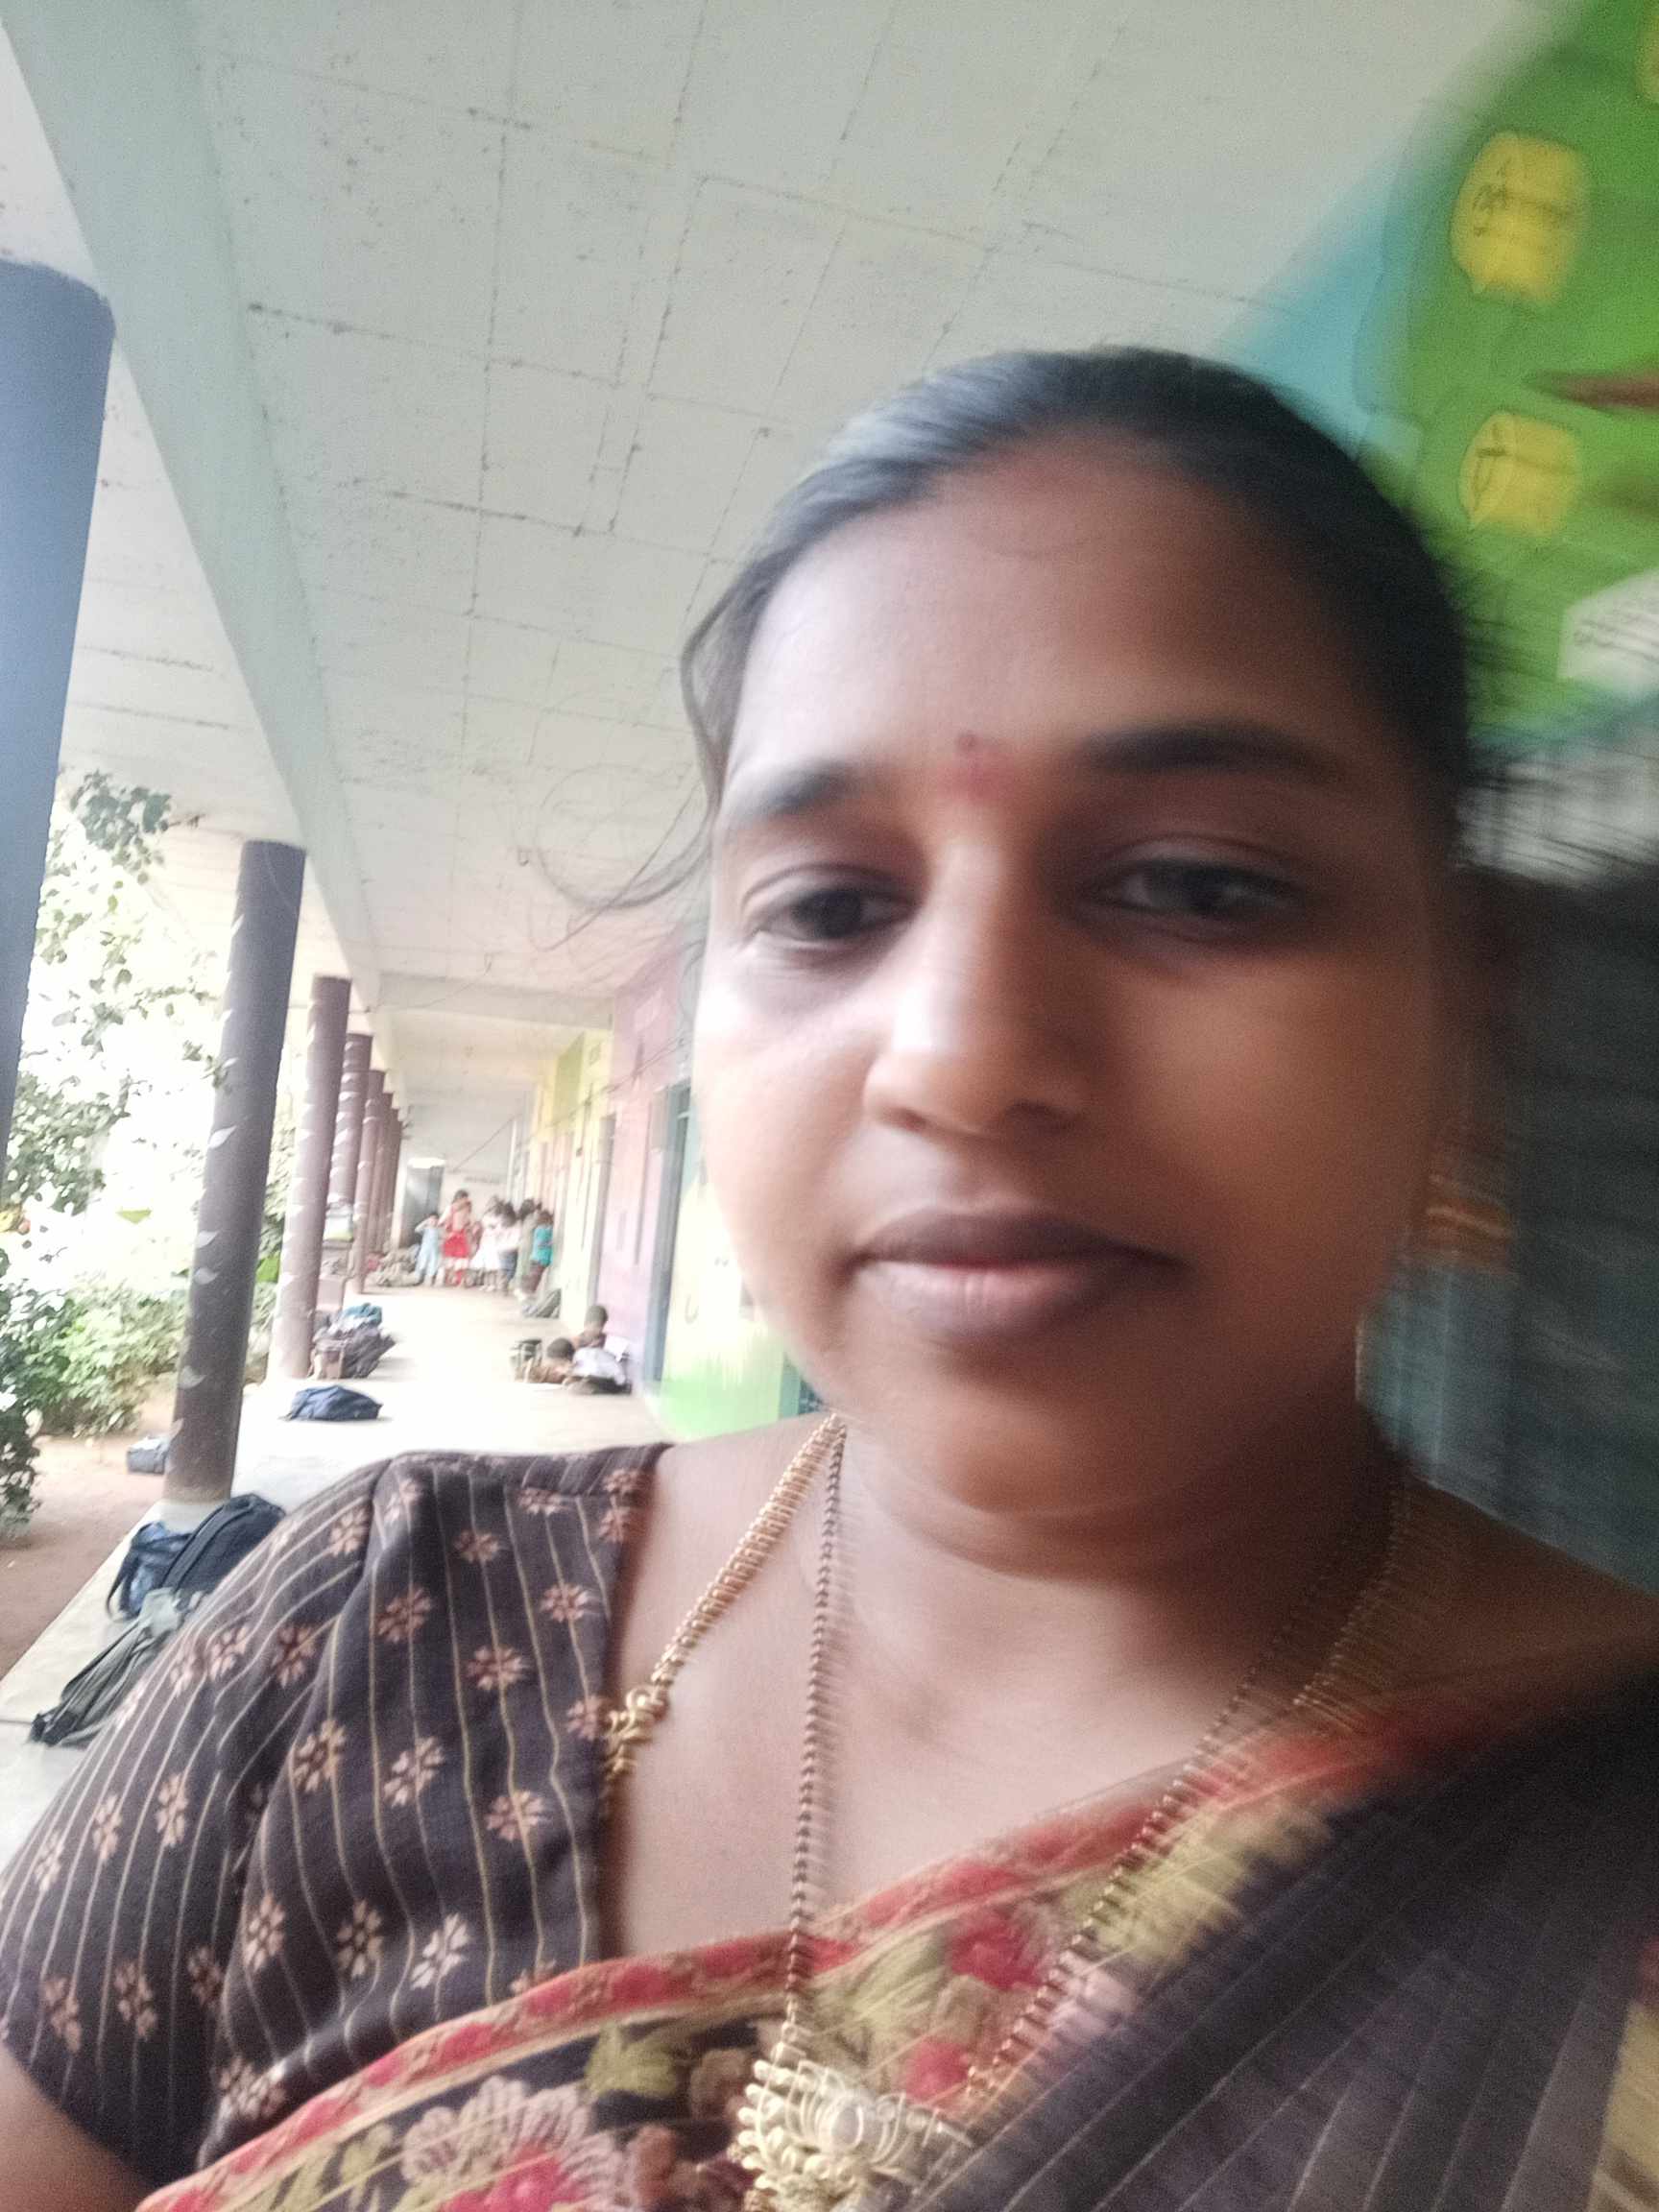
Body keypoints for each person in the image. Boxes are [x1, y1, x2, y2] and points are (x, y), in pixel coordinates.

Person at [6, 348, 1659, 2212]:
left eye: (1198, 884)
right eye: (830, 907)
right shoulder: (366, 1638)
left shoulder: (1600, 1851)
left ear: (1469, 1002)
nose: (957, 1055)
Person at [438, 1188, 473, 1287]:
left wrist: (469, 1228)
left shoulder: (467, 1209)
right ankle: (447, 1279)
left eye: (466, 1199)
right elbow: (440, 1222)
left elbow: (470, 1222)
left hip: (462, 1236)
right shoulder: (450, 1208)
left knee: (462, 1259)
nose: (466, 1200)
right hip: (451, 1237)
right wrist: (446, 1233)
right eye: (464, 1198)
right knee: (449, 1258)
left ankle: (461, 1281)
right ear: (459, 1198)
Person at [413, 1209, 443, 1286]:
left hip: (434, 1251)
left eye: (435, 1219)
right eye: (431, 1219)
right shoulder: (426, 1229)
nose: (433, 1221)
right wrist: (425, 1222)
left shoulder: (438, 1230)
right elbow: (417, 1229)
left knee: (433, 1264)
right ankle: (419, 1279)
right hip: (425, 1250)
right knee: (422, 1263)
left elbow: (443, 1237)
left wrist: (440, 1246)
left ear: (437, 1221)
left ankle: (431, 1279)